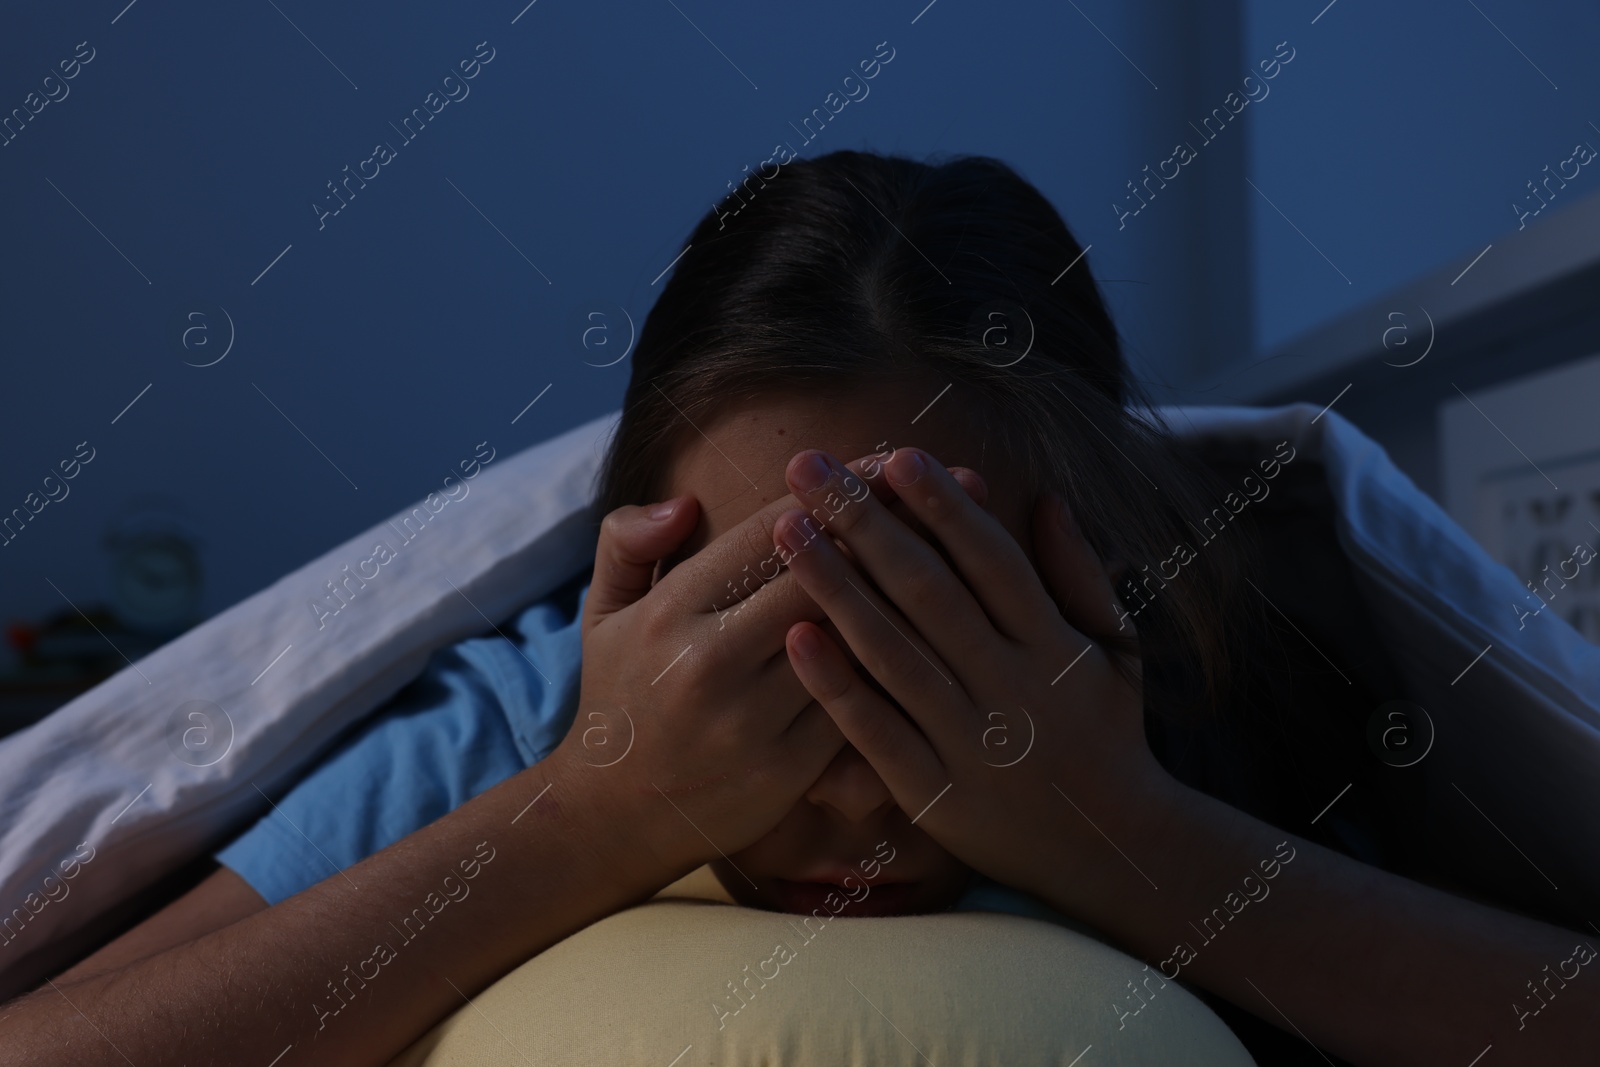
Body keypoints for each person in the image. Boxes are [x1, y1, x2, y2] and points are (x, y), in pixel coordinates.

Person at [0, 150, 1594, 1066]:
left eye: (939, 610)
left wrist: (1122, 833)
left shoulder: (1201, 685)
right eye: (757, 614)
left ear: (1095, 567)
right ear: (631, 565)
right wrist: (586, 813)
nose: (842, 751)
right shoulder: (531, 713)